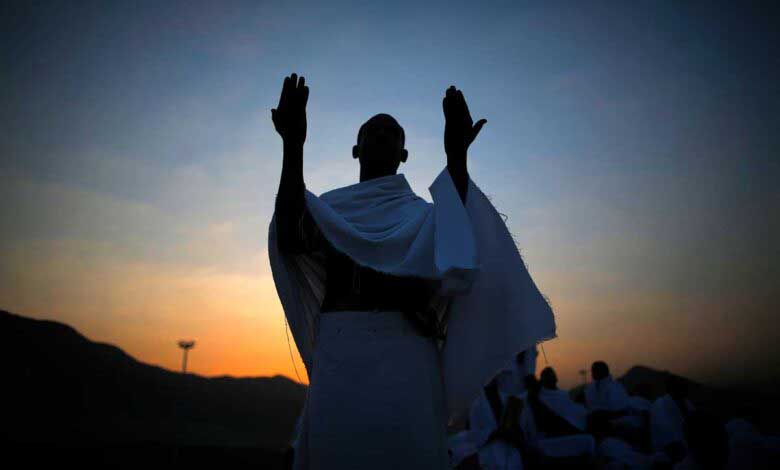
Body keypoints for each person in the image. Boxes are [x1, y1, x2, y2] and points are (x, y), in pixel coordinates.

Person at [268, 73, 556, 469]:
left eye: (393, 133)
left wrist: (457, 158)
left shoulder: (422, 217)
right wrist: (292, 146)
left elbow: (457, 251)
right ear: (356, 148)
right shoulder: (329, 209)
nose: (382, 135)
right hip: (341, 352)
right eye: (373, 131)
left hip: (406, 356)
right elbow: (290, 238)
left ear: (404, 155)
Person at [650, 375, 694, 462]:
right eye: (679, 386)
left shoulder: (687, 404)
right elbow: (666, 436)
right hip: (670, 455)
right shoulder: (660, 404)